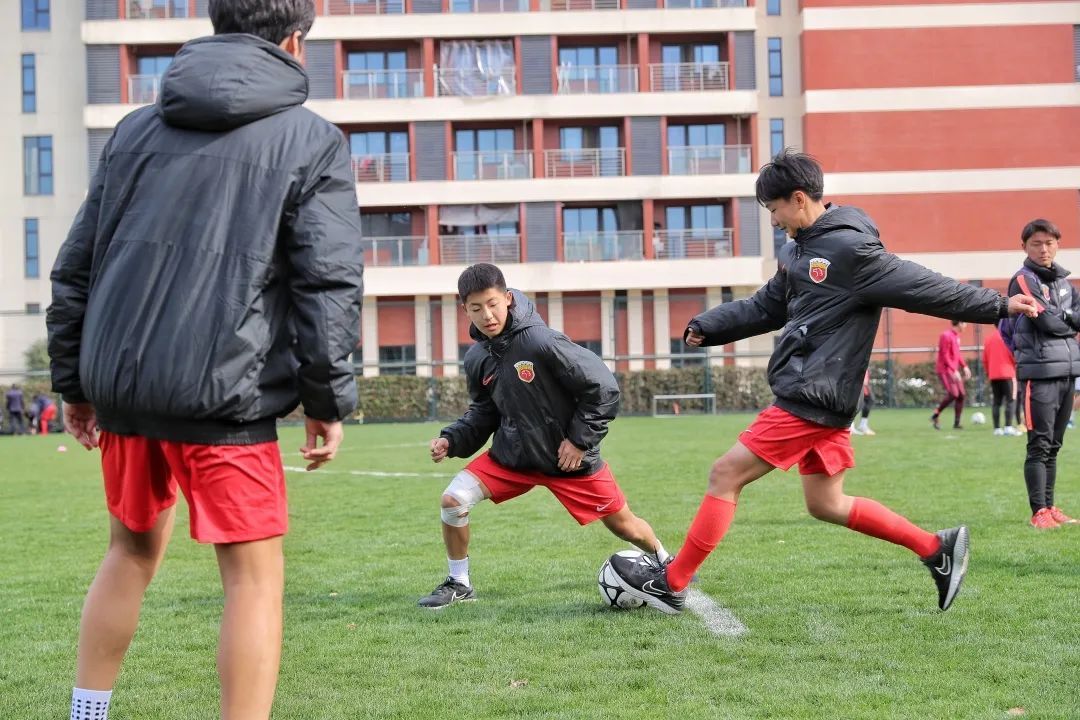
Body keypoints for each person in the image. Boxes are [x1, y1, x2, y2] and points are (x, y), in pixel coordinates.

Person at [46, 2, 364, 718]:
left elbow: (76, 268)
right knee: (253, 580)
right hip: (228, 399)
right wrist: (325, 400)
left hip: (126, 391)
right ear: (294, 42)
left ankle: (86, 714)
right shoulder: (311, 140)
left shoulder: (135, 129)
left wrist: (76, 383)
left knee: (128, 553)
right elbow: (327, 285)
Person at [605, 150, 1039, 615]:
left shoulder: (853, 251)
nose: (773, 220)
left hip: (812, 393)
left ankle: (672, 583)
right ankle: (937, 548)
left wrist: (998, 305)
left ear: (798, 199)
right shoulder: (796, 252)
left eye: (774, 209)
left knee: (725, 474)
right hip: (820, 395)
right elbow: (767, 306)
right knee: (826, 503)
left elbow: (923, 287)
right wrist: (710, 325)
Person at [420, 263, 670, 609]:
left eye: (493, 304)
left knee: (625, 526)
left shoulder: (541, 341)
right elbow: (484, 412)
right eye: (476, 308)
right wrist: (453, 439)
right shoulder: (477, 357)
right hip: (514, 457)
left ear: (508, 299)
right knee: (453, 500)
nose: (487, 315)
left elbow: (603, 388)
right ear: (465, 309)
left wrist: (579, 441)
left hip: (568, 462)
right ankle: (459, 583)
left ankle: (666, 562)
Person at [1006, 218, 1080, 529]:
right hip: (1039, 372)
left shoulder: (1064, 283)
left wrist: (1063, 315)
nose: (1043, 249)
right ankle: (1038, 511)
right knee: (1039, 444)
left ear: (1058, 245)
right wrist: (1067, 320)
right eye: (1036, 243)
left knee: (1055, 445)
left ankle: (1050, 506)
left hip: (1068, 370)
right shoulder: (1023, 280)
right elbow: (1045, 321)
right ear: (1024, 247)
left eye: (1049, 243)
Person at [931, 320, 970, 430]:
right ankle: (936, 414)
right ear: (959, 323)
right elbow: (944, 355)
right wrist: (954, 369)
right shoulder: (946, 335)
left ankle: (957, 423)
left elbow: (957, 354)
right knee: (954, 394)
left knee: (961, 395)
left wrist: (964, 366)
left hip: (952, 370)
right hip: (944, 370)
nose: (966, 325)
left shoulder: (956, 336)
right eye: (964, 323)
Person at [983, 327, 1021, 436]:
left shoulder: (989, 338)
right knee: (1011, 400)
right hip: (1008, 373)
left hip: (993, 375)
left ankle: (997, 429)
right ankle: (1008, 427)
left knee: (996, 402)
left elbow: (985, 359)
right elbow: (1013, 354)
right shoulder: (1009, 337)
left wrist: (988, 373)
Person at [849, 369, 874, 436]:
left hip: (865, 388)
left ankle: (863, 425)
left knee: (869, 402)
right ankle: (851, 427)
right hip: (856, 387)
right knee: (855, 407)